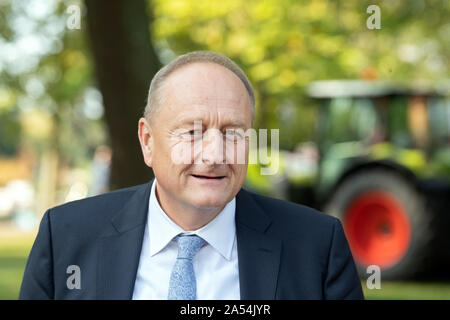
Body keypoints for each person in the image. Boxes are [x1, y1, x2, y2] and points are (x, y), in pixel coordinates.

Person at [19, 51, 364, 300]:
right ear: (148, 141)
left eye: (233, 132)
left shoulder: (317, 246)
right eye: (192, 133)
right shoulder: (66, 238)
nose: (214, 155)